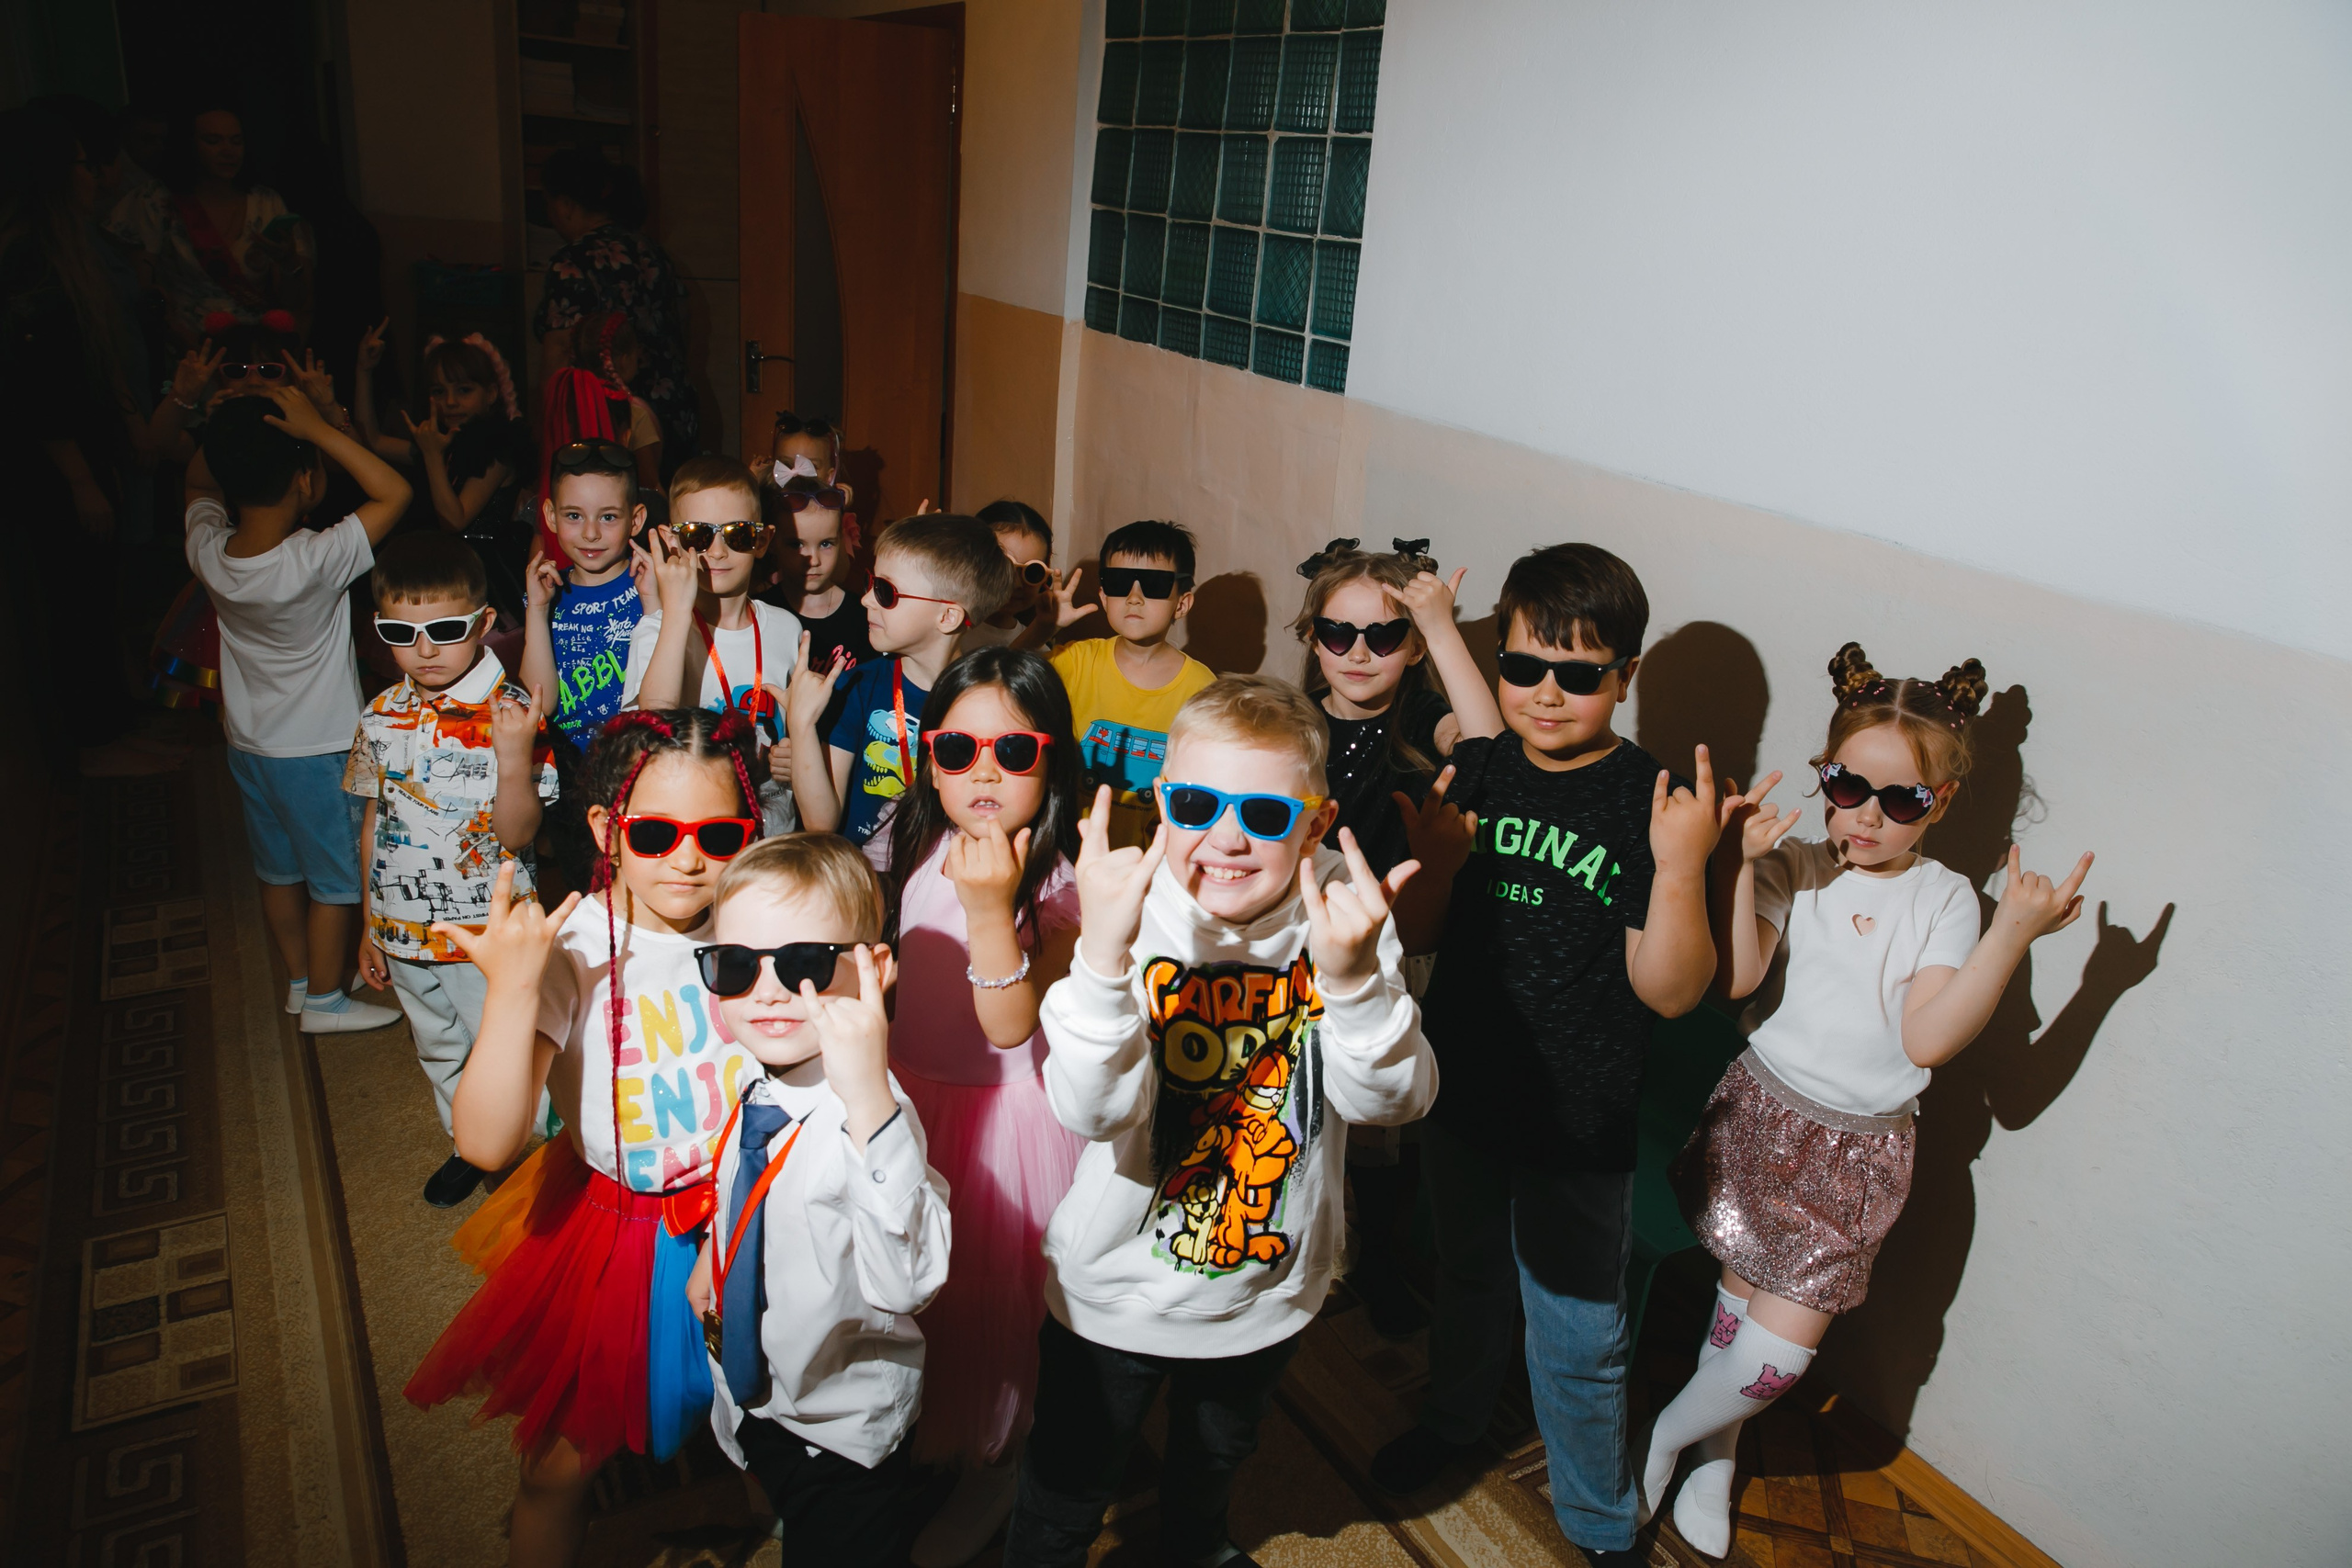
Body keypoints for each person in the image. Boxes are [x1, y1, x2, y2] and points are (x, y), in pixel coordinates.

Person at [1640, 644, 2092, 1557]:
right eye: (1849, 788)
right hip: (1760, 1114)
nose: (1869, 818)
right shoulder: (1794, 864)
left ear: (1941, 803)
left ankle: (1663, 1437)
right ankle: (1714, 1458)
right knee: (1735, 1311)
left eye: (1902, 801)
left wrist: (2010, 934)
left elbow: (1926, 1040)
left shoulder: (1946, 901)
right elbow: (1741, 976)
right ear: (1827, 776)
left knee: (1773, 1360)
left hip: (1856, 1154)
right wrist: (1739, 867)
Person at [1004, 676, 1438, 1568]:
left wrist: (1352, 979)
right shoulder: (1130, 911)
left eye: (1267, 816)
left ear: (1316, 825)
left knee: (1213, 1463)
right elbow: (1090, 1108)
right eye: (1198, 805)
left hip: (1265, 1286)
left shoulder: (1345, 921)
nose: (1227, 838)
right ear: (1163, 804)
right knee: (1068, 1487)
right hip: (1114, 1291)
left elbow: (1393, 1103)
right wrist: (1098, 955)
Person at [1368, 544, 1723, 1568]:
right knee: (1466, 1274)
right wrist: (1431, 867)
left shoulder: (1645, 799)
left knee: (1578, 1333)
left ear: (1626, 677)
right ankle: (1449, 1423)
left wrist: (1683, 869)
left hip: (1579, 1114)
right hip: (1465, 1085)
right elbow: (1429, 933)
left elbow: (1668, 988)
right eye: (1524, 668)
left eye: (1581, 674)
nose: (1547, 695)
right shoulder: (1478, 764)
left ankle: (1600, 1526)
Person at [405, 709, 766, 1567]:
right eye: (655, 832)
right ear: (608, 827)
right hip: (621, 1235)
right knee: (559, 1467)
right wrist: (514, 988)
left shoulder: (759, 919)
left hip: (759, 1214)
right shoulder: (572, 948)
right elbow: (488, 1142)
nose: (688, 857)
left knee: (779, 1410)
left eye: (720, 835)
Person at [865, 648, 1086, 1566]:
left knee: (994, 1306)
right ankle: (917, 1435)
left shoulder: (1058, 876)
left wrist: (995, 906)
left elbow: (1006, 1027)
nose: (984, 771)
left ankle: (994, 1463)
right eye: (958, 750)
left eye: (1013, 750)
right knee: (914, 1290)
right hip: (909, 1094)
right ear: (928, 757)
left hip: (1006, 1122)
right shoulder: (910, 835)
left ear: (1053, 760)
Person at [684, 834, 953, 1566]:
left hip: (841, 1434)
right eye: (737, 965)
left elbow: (910, 1282)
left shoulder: (869, 1118)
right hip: (762, 1396)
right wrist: (715, 1257)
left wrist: (868, 1098)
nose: (768, 990)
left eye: (803, 962)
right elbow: (749, 1183)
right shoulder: (765, 1079)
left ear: (875, 968)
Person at [1285, 537, 1487, 1337]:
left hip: (1398, 950)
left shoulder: (1423, 718)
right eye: (1339, 634)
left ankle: (1379, 1259)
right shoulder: (1292, 723)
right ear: (1312, 638)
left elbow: (1488, 752)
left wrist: (1441, 627)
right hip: (1305, 944)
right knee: (1304, 1108)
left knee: (1384, 1128)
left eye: (1385, 635)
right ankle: (1307, 1244)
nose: (1359, 653)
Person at [185, 386, 412, 1032]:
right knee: (337, 881)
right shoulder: (313, 560)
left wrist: (214, 417)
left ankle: (296, 982)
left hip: (249, 746)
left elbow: (196, 485)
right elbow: (393, 491)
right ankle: (323, 1001)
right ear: (305, 477)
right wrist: (317, 423)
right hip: (317, 751)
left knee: (278, 871)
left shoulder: (208, 549)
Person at [347, 532, 558, 1207]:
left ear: (484, 624)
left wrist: (514, 756)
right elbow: (374, 824)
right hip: (404, 928)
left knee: (514, 1052)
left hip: (486, 936)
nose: (425, 648)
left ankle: (542, 1162)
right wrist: (369, 922)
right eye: (400, 632)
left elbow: (519, 832)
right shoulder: (380, 714)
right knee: (439, 1049)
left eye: (444, 628)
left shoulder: (512, 712)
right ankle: (472, 1141)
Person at [786, 512, 1015, 846]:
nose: (865, 599)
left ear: (947, 616)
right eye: (870, 583)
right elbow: (820, 823)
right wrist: (802, 725)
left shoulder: (989, 703)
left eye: (885, 591)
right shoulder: (858, 686)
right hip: (865, 879)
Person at [623, 457, 804, 835]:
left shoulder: (787, 629)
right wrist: (675, 612)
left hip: (771, 840)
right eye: (697, 535)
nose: (718, 552)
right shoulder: (656, 630)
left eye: (738, 534)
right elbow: (652, 729)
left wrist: (796, 756)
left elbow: (794, 729)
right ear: (671, 541)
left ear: (763, 540)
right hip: (695, 837)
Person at [523, 440, 650, 888]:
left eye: (608, 517)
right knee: (589, 896)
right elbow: (539, 704)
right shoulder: (548, 594)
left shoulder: (649, 588)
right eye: (574, 516)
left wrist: (656, 606)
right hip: (572, 784)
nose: (591, 533)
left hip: (643, 773)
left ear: (635, 519)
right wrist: (536, 612)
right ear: (551, 516)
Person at [1049, 520, 1216, 848]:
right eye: (1119, 582)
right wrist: (1042, 629)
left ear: (1181, 603)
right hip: (1066, 852)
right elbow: (995, 684)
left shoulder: (1202, 689)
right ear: (1103, 594)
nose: (1134, 597)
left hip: (1151, 863)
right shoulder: (1075, 661)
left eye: (1153, 584)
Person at [354, 321, 535, 615]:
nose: (450, 402)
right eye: (439, 391)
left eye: (464, 390)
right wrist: (364, 371)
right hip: (439, 571)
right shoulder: (442, 442)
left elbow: (455, 519)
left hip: (484, 581)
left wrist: (432, 456)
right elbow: (371, 441)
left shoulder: (500, 448)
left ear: (490, 394)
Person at [533, 148, 695, 463]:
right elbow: (683, 324)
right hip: (673, 405)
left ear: (566, 205)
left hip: (610, 418)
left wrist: (545, 427)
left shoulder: (572, 262)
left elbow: (557, 350)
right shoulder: (652, 251)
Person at [114, 104, 311, 344]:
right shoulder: (154, 200)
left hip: (255, 352)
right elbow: (139, 292)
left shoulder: (267, 203)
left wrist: (289, 262)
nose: (228, 151)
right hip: (186, 347)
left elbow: (296, 302)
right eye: (213, 141)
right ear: (189, 145)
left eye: (236, 141)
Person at [761, 465, 870, 744]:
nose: (813, 559)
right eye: (797, 544)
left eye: (826, 544)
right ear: (772, 542)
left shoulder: (866, 618)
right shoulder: (760, 614)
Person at [959, 500, 1056, 652]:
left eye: (1031, 572)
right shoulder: (947, 630)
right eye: (1003, 567)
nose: (1016, 583)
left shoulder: (1041, 649)